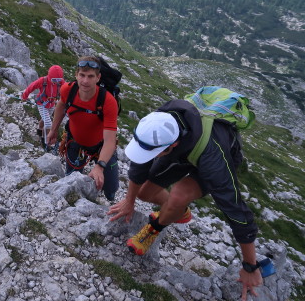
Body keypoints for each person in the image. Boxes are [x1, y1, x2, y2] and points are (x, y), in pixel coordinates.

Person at [107, 100, 262, 301]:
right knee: (144, 193)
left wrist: (250, 265)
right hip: (183, 153)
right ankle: (178, 212)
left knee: (179, 195)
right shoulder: (159, 123)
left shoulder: (214, 160)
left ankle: (156, 227)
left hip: (213, 156)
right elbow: (140, 165)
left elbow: (235, 211)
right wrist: (130, 201)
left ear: (171, 145)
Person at [46, 56, 119, 202]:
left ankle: (110, 200)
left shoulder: (108, 101)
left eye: (90, 76)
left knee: (111, 187)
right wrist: (53, 130)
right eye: (82, 75)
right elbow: (61, 105)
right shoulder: (68, 90)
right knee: (71, 182)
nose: (85, 81)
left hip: (101, 147)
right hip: (75, 142)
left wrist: (100, 166)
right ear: (76, 75)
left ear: (98, 78)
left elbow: (110, 141)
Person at [22, 65, 64, 151]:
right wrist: (24, 96)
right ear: (50, 76)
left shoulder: (60, 82)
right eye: (54, 80)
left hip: (52, 104)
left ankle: (39, 131)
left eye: (58, 80)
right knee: (48, 123)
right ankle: (46, 144)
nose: (56, 82)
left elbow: (68, 88)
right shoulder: (43, 81)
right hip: (42, 104)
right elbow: (31, 86)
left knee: (44, 119)